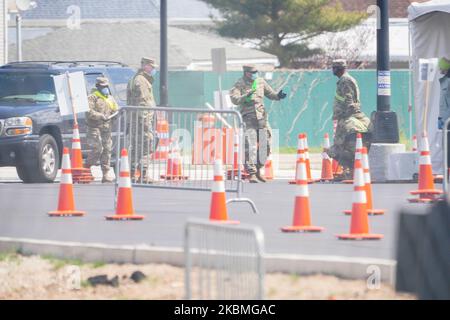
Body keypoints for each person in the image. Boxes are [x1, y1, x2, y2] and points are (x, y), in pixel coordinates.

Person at [230, 65, 287, 183]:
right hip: (248, 119)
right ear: (246, 73)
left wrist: (278, 96)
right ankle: (251, 173)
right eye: (253, 72)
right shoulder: (239, 84)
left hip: (261, 118)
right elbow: (234, 99)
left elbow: (270, 94)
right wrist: (246, 97)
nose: (255, 73)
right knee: (250, 146)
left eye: (256, 71)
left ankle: (258, 169)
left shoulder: (260, 81)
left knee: (265, 145)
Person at [326, 59, 371, 180]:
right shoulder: (344, 80)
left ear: (338, 69)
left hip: (347, 117)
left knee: (337, 148)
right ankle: (349, 170)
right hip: (345, 117)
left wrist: (345, 116)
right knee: (341, 146)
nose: (332, 70)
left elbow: (349, 101)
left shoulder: (345, 81)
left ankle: (350, 171)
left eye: (334, 68)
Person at [126, 57, 158, 180]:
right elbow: (143, 102)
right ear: (146, 66)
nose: (154, 69)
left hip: (137, 119)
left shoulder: (137, 79)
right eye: (152, 66)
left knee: (136, 146)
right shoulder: (141, 80)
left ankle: (133, 173)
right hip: (142, 119)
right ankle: (143, 174)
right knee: (147, 145)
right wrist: (146, 122)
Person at [85, 77, 119, 183]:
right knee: (97, 149)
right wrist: (100, 116)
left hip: (106, 128)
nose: (105, 88)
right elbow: (88, 112)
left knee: (107, 150)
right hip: (94, 128)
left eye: (106, 86)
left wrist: (116, 114)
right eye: (103, 86)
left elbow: (115, 109)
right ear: (98, 86)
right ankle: (86, 168)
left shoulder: (110, 98)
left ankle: (105, 174)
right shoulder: (92, 97)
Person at [438, 57, 450, 167]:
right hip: (445, 120)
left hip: (448, 121)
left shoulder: (448, 81)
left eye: (440, 66)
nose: (439, 69)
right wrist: (440, 118)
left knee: (448, 148)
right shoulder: (445, 80)